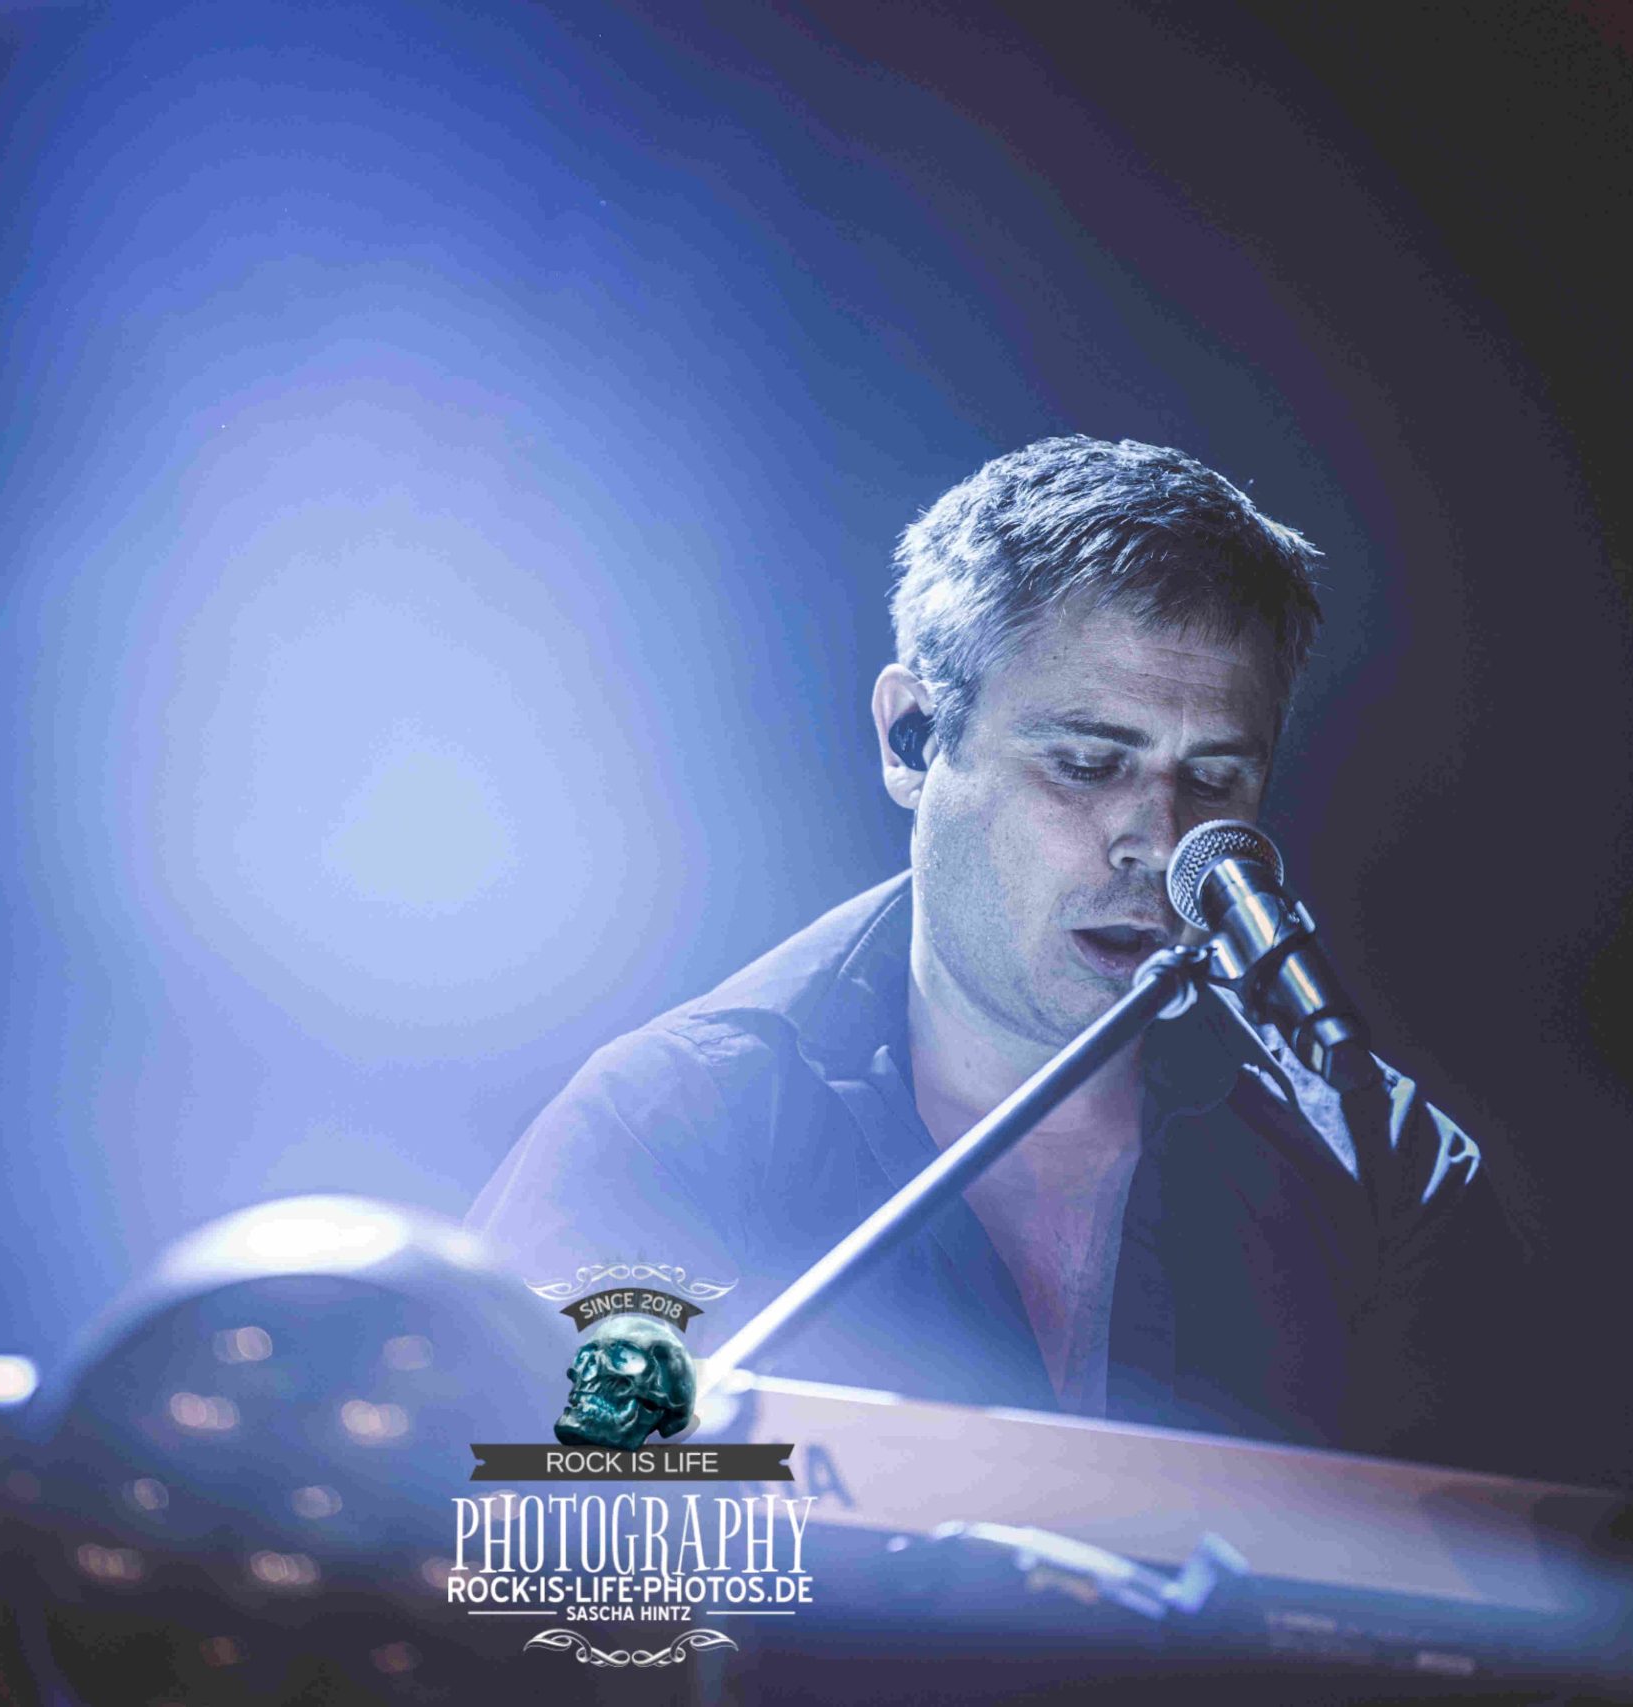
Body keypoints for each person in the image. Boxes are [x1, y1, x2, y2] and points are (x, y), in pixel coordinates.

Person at [467, 435, 1519, 1468]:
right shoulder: (672, 1128)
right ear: (912, 738)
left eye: (1213, 780)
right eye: (1086, 763)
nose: (1158, 841)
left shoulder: (1379, 1162)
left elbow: (1509, 1557)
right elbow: (503, 1521)